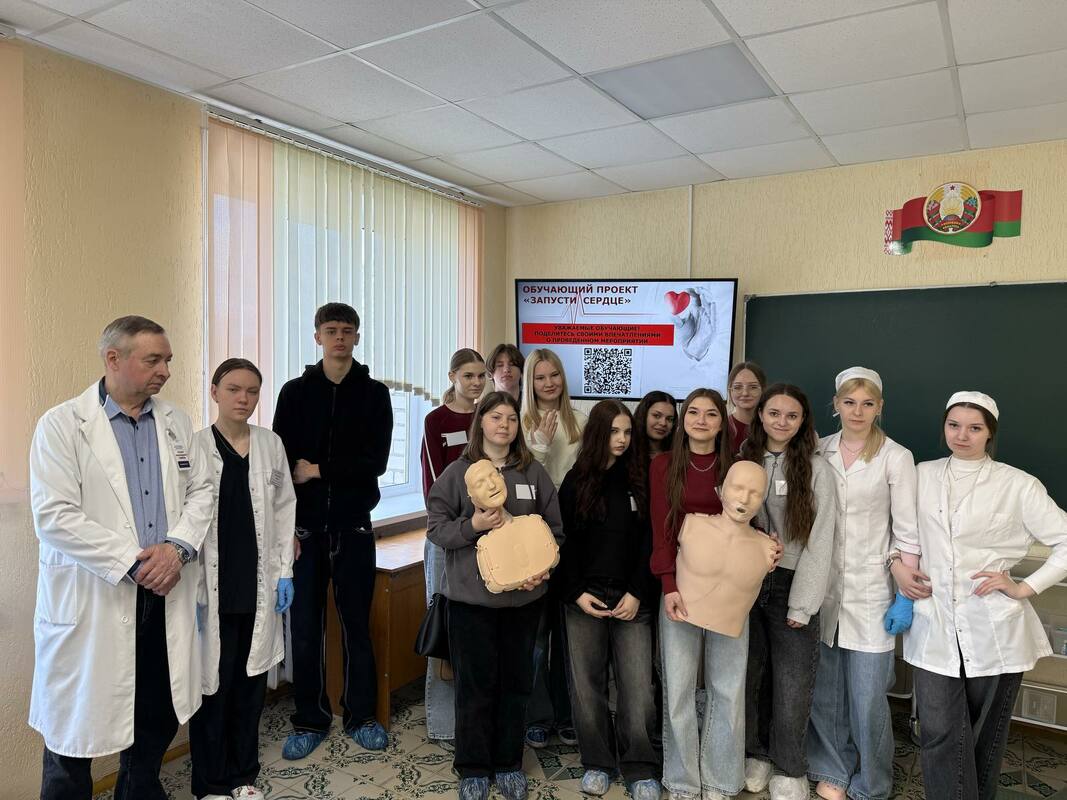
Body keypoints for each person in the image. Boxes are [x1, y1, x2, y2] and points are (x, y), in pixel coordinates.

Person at [29, 315, 214, 800]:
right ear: (114, 359)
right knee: (72, 737)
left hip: (163, 597)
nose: (165, 371)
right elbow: (55, 516)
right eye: (154, 360)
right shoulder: (62, 425)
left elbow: (201, 492)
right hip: (96, 600)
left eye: (168, 360)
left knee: (154, 718)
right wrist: (137, 563)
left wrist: (177, 548)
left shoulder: (176, 422)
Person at [905, 391, 1067, 800]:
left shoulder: (1018, 484)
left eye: (974, 428)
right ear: (944, 427)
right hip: (934, 619)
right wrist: (896, 564)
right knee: (939, 730)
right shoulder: (921, 475)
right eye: (954, 425)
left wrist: (1024, 587)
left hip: (993, 625)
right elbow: (900, 532)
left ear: (989, 433)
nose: (962, 435)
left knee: (985, 734)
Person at [426, 392, 563, 800]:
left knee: (516, 684)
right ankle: (472, 768)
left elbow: (555, 531)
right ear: (481, 423)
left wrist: (541, 570)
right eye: (495, 417)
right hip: (471, 604)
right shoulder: (458, 473)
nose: (504, 424)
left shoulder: (532, 472)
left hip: (524, 603)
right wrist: (472, 527)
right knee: (474, 685)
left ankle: (508, 763)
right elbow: (436, 528)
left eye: (511, 418)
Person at [272, 302, 393, 758]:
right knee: (304, 629)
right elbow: (284, 463)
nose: (339, 337)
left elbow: (375, 462)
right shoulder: (295, 393)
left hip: (354, 527)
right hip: (304, 531)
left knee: (355, 625)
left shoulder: (374, 394)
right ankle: (310, 719)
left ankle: (361, 716)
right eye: (331, 330)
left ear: (357, 337)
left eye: (346, 330)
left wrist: (318, 469)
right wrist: (288, 519)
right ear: (317, 336)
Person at [806, 368, 921, 800]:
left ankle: (873, 782)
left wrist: (905, 595)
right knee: (827, 691)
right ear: (836, 404)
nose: (858, 411)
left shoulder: (896, 456)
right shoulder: (817, 450)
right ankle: (832, 770)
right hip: (823, 588)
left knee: (869, 697)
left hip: (873, 590)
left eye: (867, 403)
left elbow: (907, 531)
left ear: (879, 407)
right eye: (849, 402)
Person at [191, 358, 297, 800]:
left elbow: (285, 508)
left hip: (259, 586)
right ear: (214, 391)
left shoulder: (270, 444)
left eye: (252, 391)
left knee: (250, 686)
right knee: (212, 688)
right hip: (209, 588)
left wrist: (285, 571)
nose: (244, 398)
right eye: (233, 389)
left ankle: (242, 777)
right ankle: (210, 784)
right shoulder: (194, 447)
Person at [557, 400, 661, 800]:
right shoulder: (576, 480)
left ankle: (640, 767)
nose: (622, 439)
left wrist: (637, 592)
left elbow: (651, 541)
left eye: (627, 432)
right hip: (584, 599)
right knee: (587, 686)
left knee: (638, 687)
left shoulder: (641, 478)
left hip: (633, 599)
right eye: (614, 431)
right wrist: (576, 593)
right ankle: (597, 763)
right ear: (598, 433)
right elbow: (563, 543)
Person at [651, 389, 749, 800]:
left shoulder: (737, 466)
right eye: (693, 412)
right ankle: (683, 780)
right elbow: (661, 530)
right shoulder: (663, 465)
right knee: (678, 686)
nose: (701, 420)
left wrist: (767, 546)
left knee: (728, 685)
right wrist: (668, 585)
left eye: (711, 413)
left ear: (722, 421)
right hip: (681, 589)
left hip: (731, 590)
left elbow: (748, 523)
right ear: (683, 418)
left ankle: (721, 778)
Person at [740, 384, 836, 800]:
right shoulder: (743, 460)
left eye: (791, 415)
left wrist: (803, 603)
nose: (782, 421)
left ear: (803, 421)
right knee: (752, 675)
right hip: (748, 582)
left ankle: (790, 767)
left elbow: (821, 538)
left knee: (792, 683)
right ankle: (756, 754)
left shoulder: (816, 469)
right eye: (774, 413)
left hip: (793, 582)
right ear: (760, 415)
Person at [521, 347, 587, 747]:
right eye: (540, 377)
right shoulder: (519, 424)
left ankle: (567, 713)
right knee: (536, 635)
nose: (549, 383)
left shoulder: (581, 420)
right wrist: (541, 447)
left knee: (569, 633)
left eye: (554, 375)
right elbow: (525, 487)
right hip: (535, 537)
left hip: (575, 535)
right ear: (530, 382)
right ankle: (537, 715)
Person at [421, 347, 487, 748]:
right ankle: (444, 725)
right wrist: (458, 525)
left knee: (475, 629)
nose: (476, 383)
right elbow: (433, 483)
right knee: (444, 625)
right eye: (468, 376)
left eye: (481, 376)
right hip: (447, 536)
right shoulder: (437, 420)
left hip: (486, 534)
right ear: (453, 377)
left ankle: (475, 720)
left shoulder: (489, 416)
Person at [727, 361, 766, 448]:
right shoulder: (721, 427)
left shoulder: (773, 427)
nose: (745, 393)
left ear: (763, 390)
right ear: (730, 391)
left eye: (753, 387)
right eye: (738, 387)